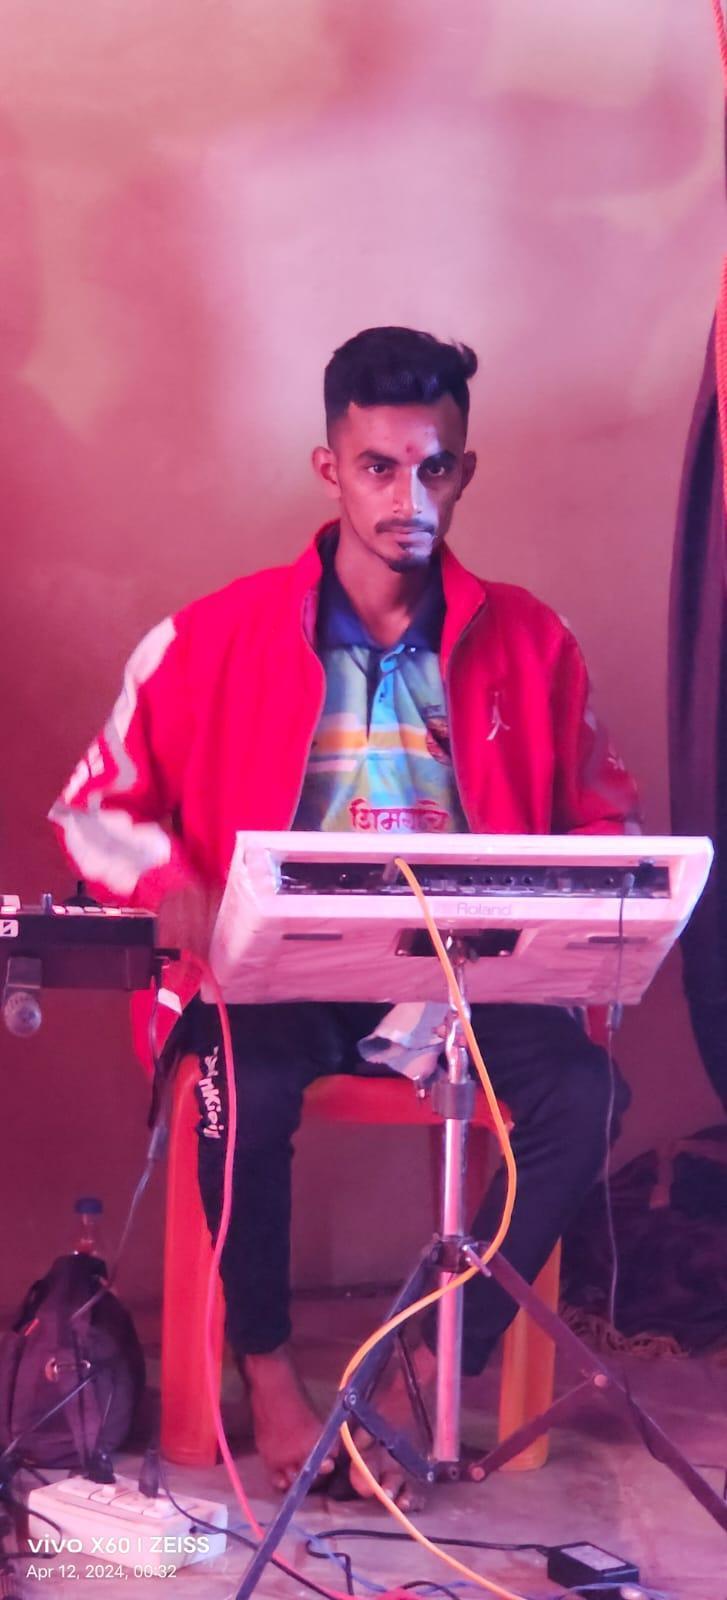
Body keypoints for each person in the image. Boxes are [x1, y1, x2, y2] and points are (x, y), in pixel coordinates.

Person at [50, 325, 638, 1501]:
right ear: (331, 468)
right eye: (379, 466)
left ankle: (427, 1359)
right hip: (282, 967)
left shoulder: (532, 639)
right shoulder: (213, 633)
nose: (407, 496)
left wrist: (588, 909)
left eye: (434, 468)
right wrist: (173, 884)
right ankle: (267, 1371)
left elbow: (604, 817)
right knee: (239, 1084)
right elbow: (91, 806)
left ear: (463, 469)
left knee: (585, 1094)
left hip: (461, 964)